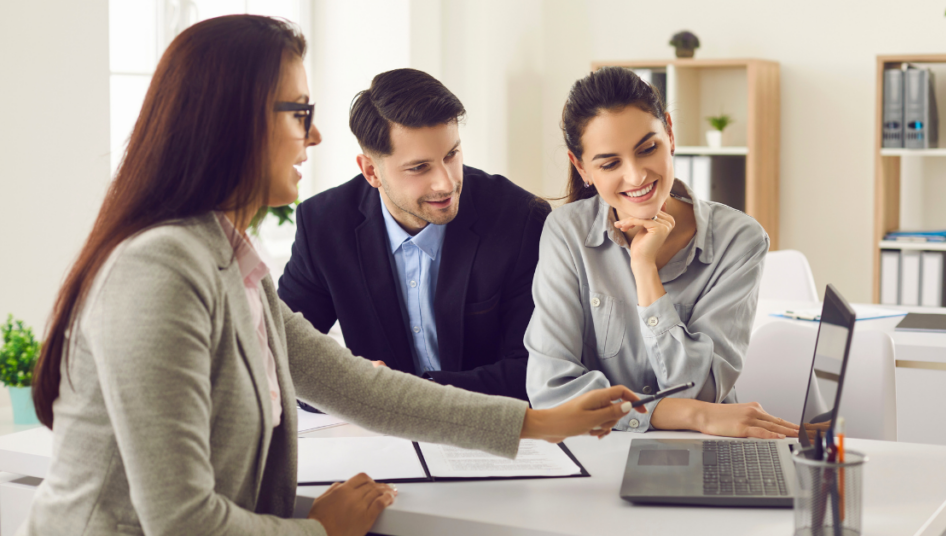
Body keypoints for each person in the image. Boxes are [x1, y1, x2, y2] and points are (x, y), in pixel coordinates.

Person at [22, 17, 642, 536]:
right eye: (298, 113)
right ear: (231, 125)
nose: (313, 136)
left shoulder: (226, 255)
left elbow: (355, 385)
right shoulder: (158, 269)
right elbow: (182, 521)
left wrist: (540, 421)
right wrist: (317, 530)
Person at [526, 66, 799, 439]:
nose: (637, 176)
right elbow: (551, 393)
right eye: (610, 163)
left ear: (669, 133)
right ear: (582, 167)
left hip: (705, 448)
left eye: (647, 149)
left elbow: (702, 390)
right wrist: (690, 415)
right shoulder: (566, 233)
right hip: (599, 452)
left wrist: (644, 270)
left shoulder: (739, 239)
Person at [277, 68, 549, 401]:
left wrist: (402, 395)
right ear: (371, 171)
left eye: (451, 155)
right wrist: (352, 386)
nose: (446, 183)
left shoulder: (518, 218)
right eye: (419, 168)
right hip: (380, 439)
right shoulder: (324, 225)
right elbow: (279, 356)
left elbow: (535, 370)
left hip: (491, 432)